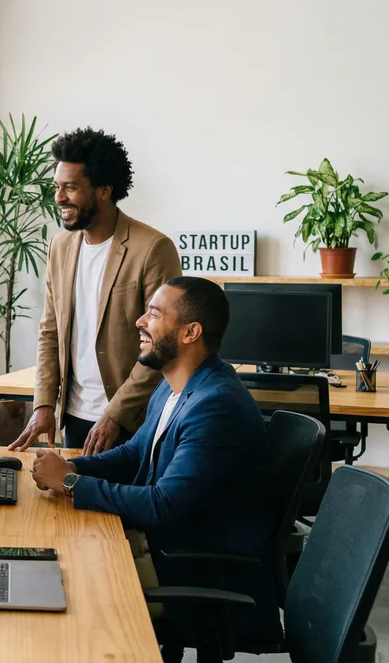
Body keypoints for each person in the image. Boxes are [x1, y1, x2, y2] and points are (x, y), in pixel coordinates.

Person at [29, 276, 280, 652]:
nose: (139, 322)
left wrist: (70, 484)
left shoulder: (216, 404)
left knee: (64, 591)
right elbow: (135, 454)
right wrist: (74, 467)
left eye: (154, 314)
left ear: (190, 333)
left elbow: (164, 504)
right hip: (164, 547)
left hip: (190, 570)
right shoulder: (175, 384)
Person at [11, 127, 181, 455]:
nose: (59, 197)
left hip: (134, 420)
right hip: (75, 419)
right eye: (57, 187)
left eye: (70, 187)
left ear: (104, 190)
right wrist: (44, 404)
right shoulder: (60, 248)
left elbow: (161, 344)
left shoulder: (153, 249)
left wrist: (114, 414)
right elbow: (50, 332)